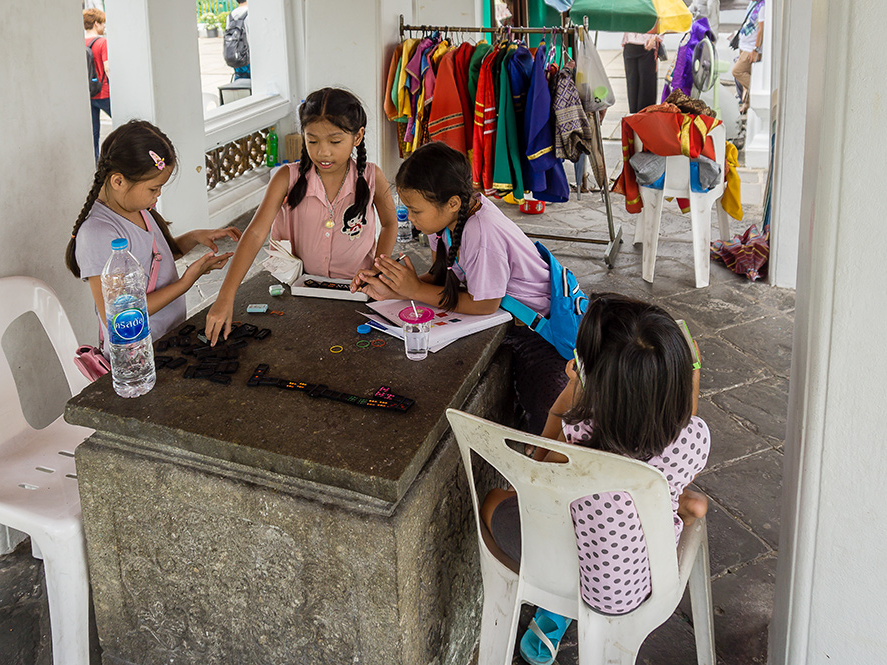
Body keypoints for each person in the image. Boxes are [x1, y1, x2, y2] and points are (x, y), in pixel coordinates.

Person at [480, 293, 710, 664]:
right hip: (644, 580)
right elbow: (685, 418)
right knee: (659, 481)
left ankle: (671, 501)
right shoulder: (693, 437)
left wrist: (572, 391)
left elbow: (537, 464)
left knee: (495, 499)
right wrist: (692, 372)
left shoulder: (579, 434)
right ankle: (674, 500)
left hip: (573, 578)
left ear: (592, 377)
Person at [352, 142, 569, 435]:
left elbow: (484, 304)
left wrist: (414, 289)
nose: (411, 220)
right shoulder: (447, 221)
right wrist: (393, 287)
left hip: (540, 328)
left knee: (545, 415)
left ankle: (545, 465)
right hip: (503, 314)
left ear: (452, 203)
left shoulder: (482, 233)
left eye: (415, 211)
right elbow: (444, 279)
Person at [205, 88, 398, 343]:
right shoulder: (287, 178)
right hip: (300, 289)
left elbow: (390, 223)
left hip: (357, 291)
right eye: (313, 141)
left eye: (335, 141)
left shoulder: (373, 176)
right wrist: (225, 296)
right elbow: (254, 234)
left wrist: (376, 271)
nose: (323, 152)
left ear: (357, 136)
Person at [65, 120, 241, 343]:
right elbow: (119, 316)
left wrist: (194, 238)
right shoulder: (97, 234)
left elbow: (154, 260)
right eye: (153, 188)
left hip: (167, 337)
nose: (157, 195)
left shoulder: (138, 208)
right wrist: (186, 282)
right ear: (118, 181)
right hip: (138, 356)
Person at [83, 9, 112, 159]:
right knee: (124, 123)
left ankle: (95, 166)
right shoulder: (102, 42)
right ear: (96, 23)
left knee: (93, 136)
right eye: (102, 23)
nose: (104, 27)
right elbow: (107, 68)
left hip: (89, 94)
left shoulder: (80, 42)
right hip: (104, 92)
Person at [731, 0, 766, 113]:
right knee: (746, 74)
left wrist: (756, 49)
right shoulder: (753, 3)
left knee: (737, 71)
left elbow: (761, 29)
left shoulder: (762, 7)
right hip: (744, 45)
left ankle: (757, 90)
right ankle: (746, 103)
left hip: (750, 48)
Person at [622, 33, 660, 114]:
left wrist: (655, 38)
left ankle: (646, 121)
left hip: (648, 45)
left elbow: (663, 22)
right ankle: (634, 119)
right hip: (630, 44)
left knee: (647, 87)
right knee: (632, 87)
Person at [224, 0, 250, 80]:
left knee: (239, 81)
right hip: (248, 55)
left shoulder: (230, 15)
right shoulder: (250, 13)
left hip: (236, 55)